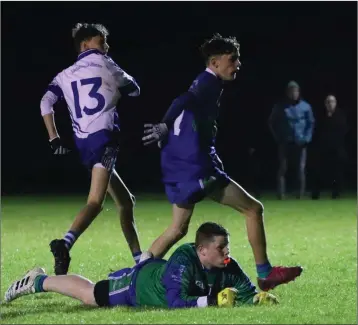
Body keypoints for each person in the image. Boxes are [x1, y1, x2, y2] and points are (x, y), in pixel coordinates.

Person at [141, 34, 302, 291]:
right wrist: (165, 124)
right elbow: (182, 100)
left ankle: (138, 274)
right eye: (232, 59)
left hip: (179, 167)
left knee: (177, 228)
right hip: (196, 168)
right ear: (215, 62)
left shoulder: (208, 82)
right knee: (253, 209)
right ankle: (265, 273)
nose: (238, 64)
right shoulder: (208, 82)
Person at [40, 23, 142, 275]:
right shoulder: (107, 63)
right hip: (105, 139)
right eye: (101, 41)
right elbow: (135, 89)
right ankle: (64, 243)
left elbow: (45, 103)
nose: (106, 46)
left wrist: (54, 138)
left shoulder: (64, 75)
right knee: (95, 202)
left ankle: (139, 260)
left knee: (126, 202)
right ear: (85, 44)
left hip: (84, 143)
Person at [5, 222, 281, 309]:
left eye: (227, 247)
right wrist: (212, 301)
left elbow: (243, 290)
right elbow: (175, 302)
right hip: (139, 286)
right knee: (91, 296)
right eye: (221, 247)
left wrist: (258, 299)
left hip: (155, 272)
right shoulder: (184, 260)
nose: (227, 252)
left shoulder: (227, 264)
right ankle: (36, 281)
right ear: (202, 250)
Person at [268, 81, 315, 199]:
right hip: (285, 141)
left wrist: (307, 138)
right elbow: (272, 122)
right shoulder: (280, 106)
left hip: (301, 142)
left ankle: (300, 193)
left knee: (300, 168)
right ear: (287, 93)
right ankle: (281, 194)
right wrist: (277, 137)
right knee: (283, 168)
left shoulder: (306, 106)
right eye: (291, 91)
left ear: (298, 92)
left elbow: (311, 123)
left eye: (295, 91)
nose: (293, 93)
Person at [311, 95, 349, 199]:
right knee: (319, 171)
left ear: (335, 103)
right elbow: (317, 131)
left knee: (337, 172)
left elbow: (343, 131)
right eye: (328, 102)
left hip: (337, 149)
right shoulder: (321, 116)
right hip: (323, 149)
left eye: (332, 102)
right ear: (325, 104)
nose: (330, 104)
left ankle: (336, 193)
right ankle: (316, 193)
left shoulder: (341, 116)